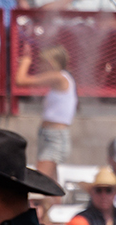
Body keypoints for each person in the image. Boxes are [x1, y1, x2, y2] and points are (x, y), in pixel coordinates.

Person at [15, 46, 75, 181]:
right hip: (49, 135)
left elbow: (21, 81)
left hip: (54, 136)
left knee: (40, 181)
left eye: (42, 62)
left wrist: (25, 62)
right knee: (51, 184)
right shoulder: (61, 79)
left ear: (51, 63)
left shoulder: (59, 76)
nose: (40, 67)